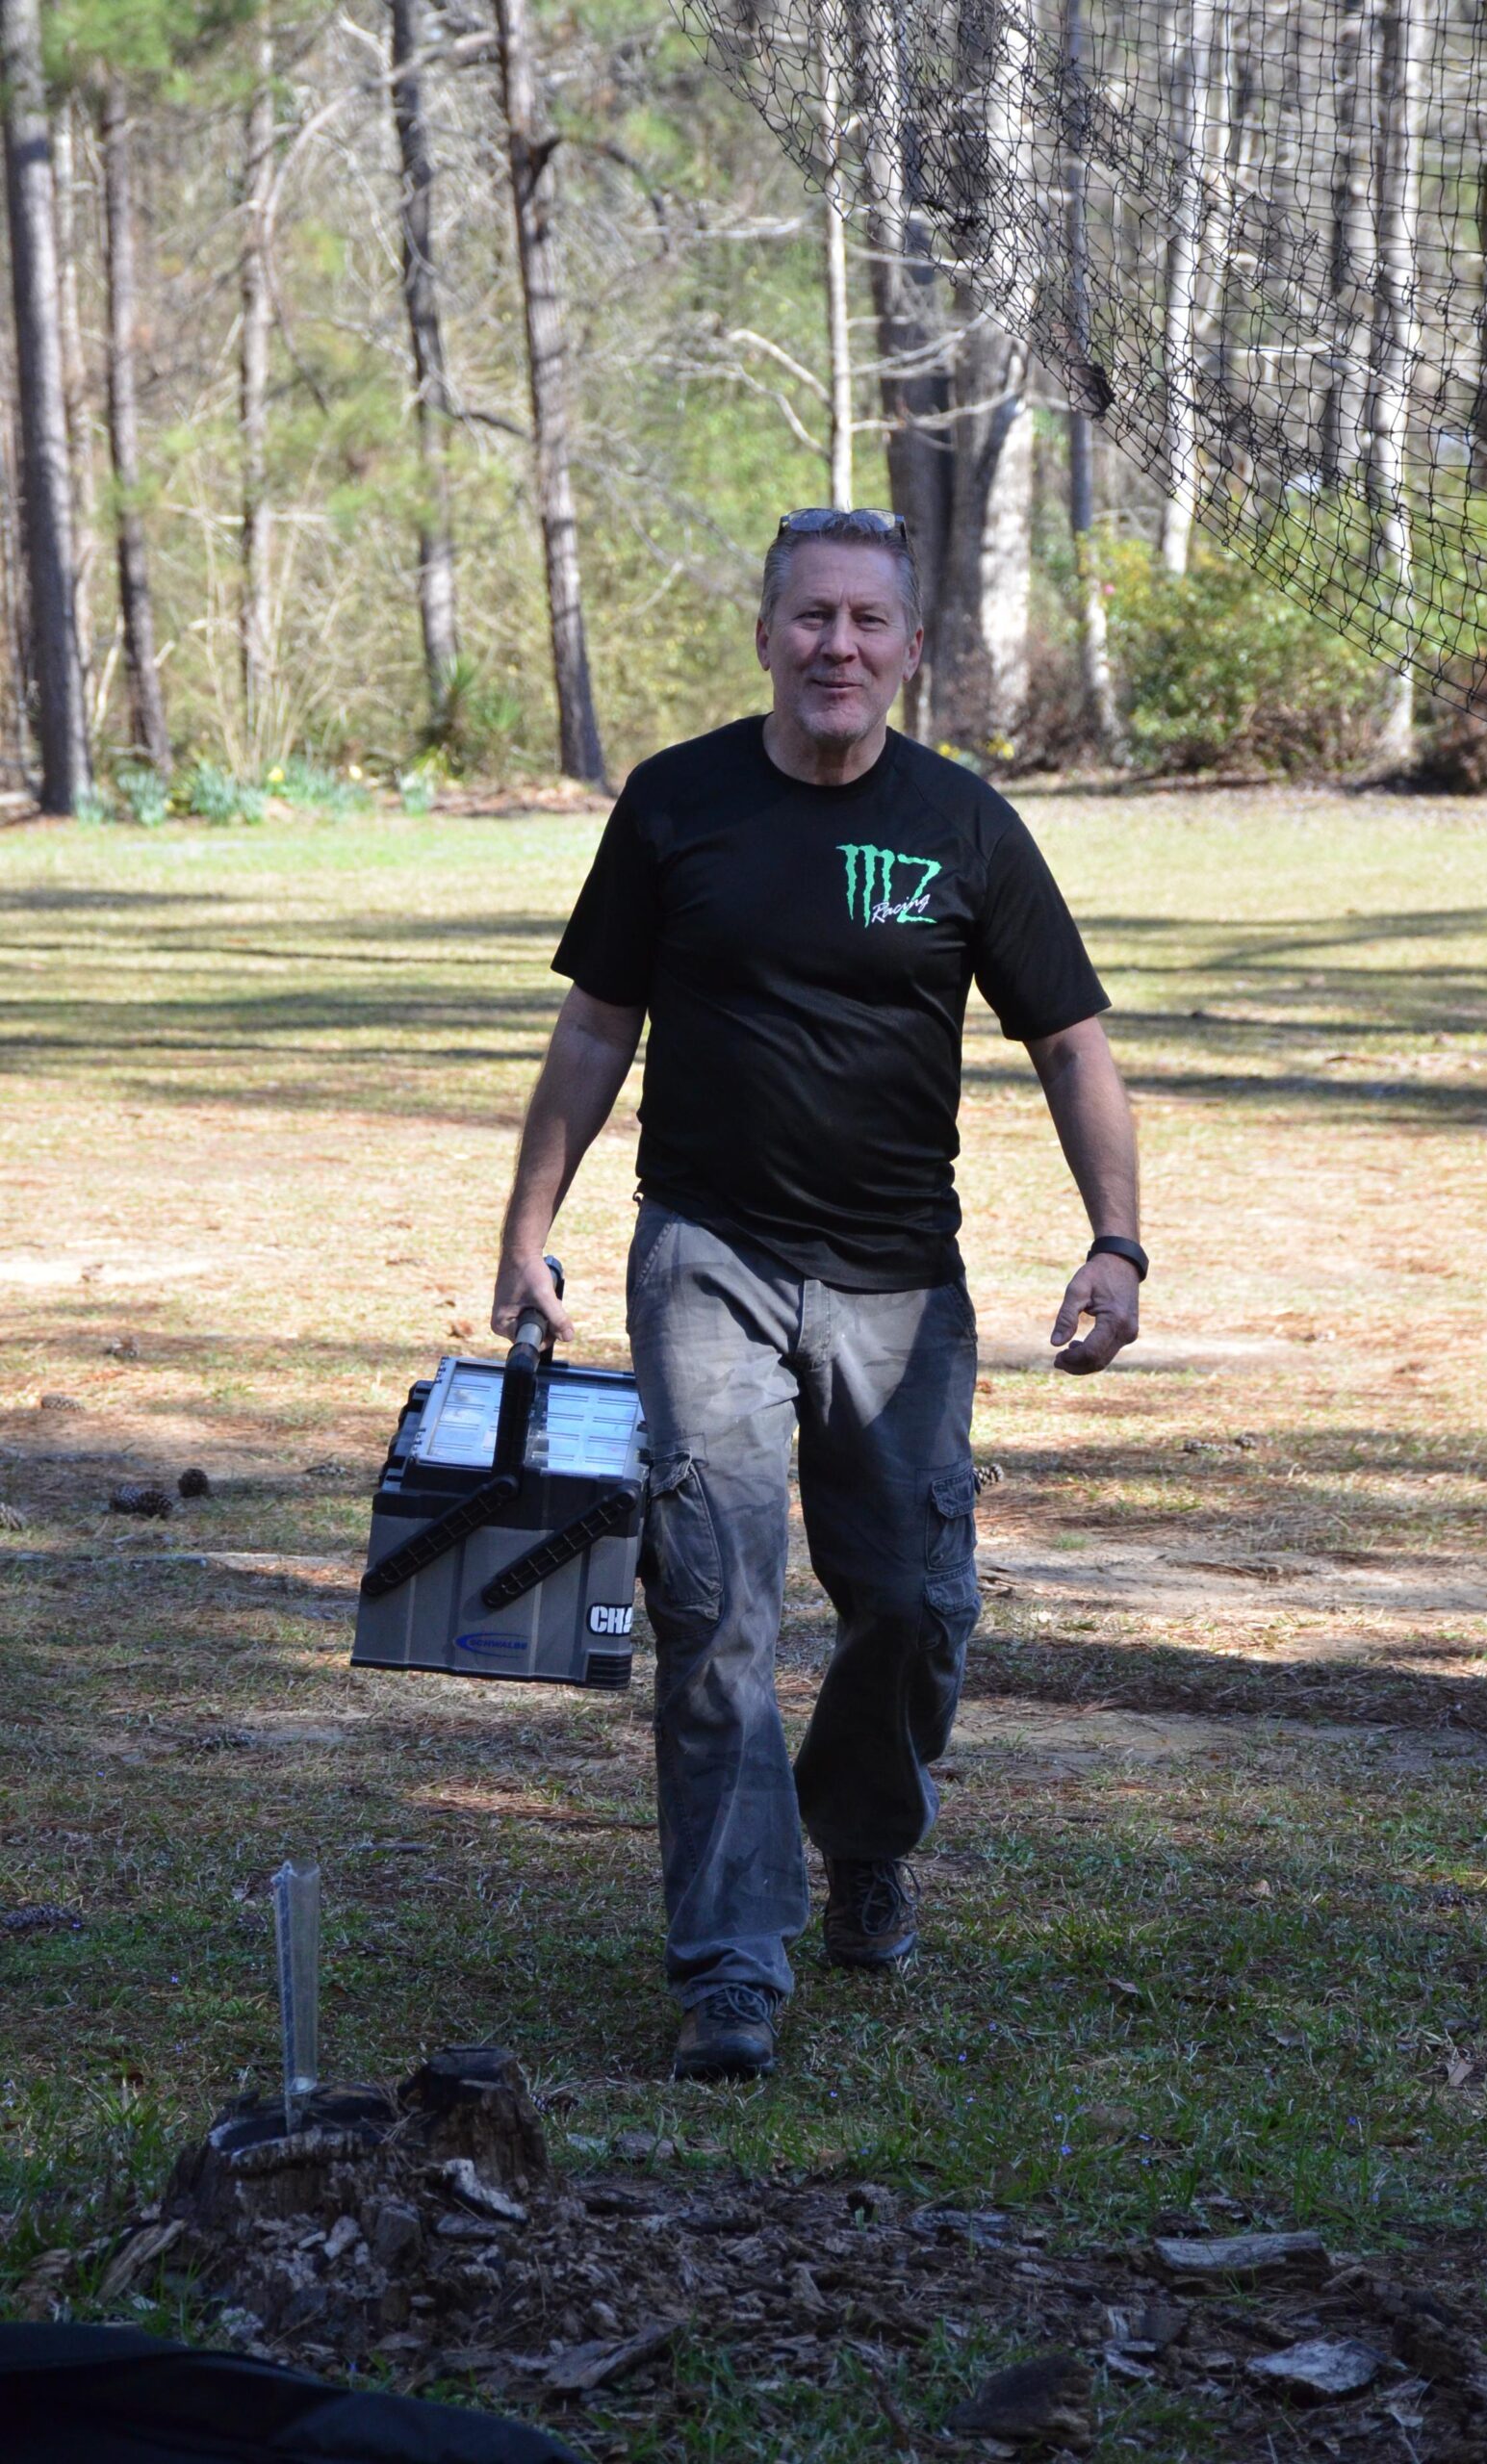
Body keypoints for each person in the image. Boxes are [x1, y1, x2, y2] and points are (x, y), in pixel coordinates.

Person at [490, 507, 1142, 2082]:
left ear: (911, 648)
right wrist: (526, 1222)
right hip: (707, 1256)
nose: (836, 647)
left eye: (866, 622)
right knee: (712, 1605)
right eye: (809, 620)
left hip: (901, 1283)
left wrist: (1116, 1241)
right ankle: (732, 1961)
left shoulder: (966, 828)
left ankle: (864, 1845)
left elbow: (1070, 1043)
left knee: (917, 1607)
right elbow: (596, 1031)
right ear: (766, 635)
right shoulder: (676, 805)